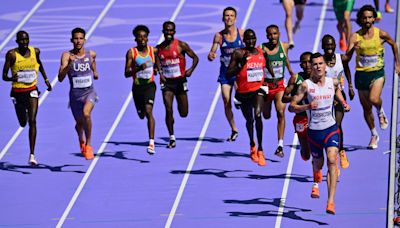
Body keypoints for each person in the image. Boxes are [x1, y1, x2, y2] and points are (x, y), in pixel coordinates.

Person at [289, 52, 351, 215]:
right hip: (314, 132)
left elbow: (337, 90)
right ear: (312, 67)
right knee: (319, 164)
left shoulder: (333, 82)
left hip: (330, 129)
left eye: (320, 63)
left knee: (332, 160)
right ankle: (316, 175)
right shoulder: (306, 86)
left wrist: (343, 102)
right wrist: (307, 107)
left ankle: (330, 202)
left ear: (325, 66)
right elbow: (291, 106)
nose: (317, 67)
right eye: (315, 64)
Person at [347, 5, 400, 149]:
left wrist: (397, 64)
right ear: (360, 19)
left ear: (374, 18)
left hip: (377, 72)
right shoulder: (355, 36)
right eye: (364, 17)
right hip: (361, 74)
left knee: (374, 99)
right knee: (366, 109)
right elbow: (347, 57)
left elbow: (394, 44)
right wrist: (353, 48)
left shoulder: (381, 34)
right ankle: (374, 134)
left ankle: (381, 112)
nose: (367, 20)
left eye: (370, 17)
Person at [2, 30, 52, 165]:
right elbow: (4, 76)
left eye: (26, 39)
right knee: (23, 123)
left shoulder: (35, 51)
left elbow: (40, 65)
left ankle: (32, 154)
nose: (24, 42)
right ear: (17, 42)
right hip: (18, 93)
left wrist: (47, 80)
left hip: (32, 91)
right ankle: (18, 107)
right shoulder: (12, 55)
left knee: (33, 121)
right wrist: (12, 78)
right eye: (21, 40)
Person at [226, 29, 271, 166]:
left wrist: (274, 79)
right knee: (249, 120)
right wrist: (240, 65)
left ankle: (261, 150)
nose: (251, 41)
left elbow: (269, 68)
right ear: (243, 40)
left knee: (258, 115)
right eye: (248, 39)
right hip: (244, 93)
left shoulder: (262, 53)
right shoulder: (239, 53)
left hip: (258, 90)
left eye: (253, 38)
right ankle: (252, 144)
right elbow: (229, 73)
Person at [282, 51, 323, 198]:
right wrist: (298, 96)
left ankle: (316, 183)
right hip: (300, 119)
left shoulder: (319, 78)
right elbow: (284, 98)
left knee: (314, 151)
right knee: (305, 154)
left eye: (309, 62)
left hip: (316, 118)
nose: (307, 65)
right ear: (300, 65)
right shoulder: (296, 78)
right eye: (304, 63)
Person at [157, 21, 199, 148]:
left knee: (183, 113)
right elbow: (157, 62)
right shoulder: (158, 48)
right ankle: (172, 137)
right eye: (166, 31)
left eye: (171, 31)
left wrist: (190, 70)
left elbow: (196, 58)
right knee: (168, 109)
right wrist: (160, 72)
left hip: (180, 82)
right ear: (163, 32)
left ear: (174, 32)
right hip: (167, 84)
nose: (169, 33)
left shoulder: (181, 45)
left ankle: (173, 121)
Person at [58, 28, 98, 160]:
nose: (78, 41)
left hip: (90, 92)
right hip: (75, 95)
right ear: (71, 40)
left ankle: (89, 145)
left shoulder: (91, 54)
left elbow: (93, 61)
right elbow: (60, 78)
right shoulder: (66, 56)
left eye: (81, 38)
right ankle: (81, 139)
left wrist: (95, 71)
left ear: (84, 40)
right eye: (76, 38)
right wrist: (68, 65)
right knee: (79, 124)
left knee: (87, 114)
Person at [208, 6, 244, 141]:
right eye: (226, 15)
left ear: (235, 18)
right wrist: (211, 55)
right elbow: (212, 52)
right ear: (223, 18)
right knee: (225, 100)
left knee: (241, 99)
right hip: (225, 74)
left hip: (239, 74)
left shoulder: (241, 33)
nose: (229, 18)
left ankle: (242, 104)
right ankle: (234, 129)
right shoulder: (219, 36)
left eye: (231, 15)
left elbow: (250, 50)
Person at [124, 25, 162, 154]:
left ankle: (151, 142)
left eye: (144, 36)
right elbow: (126, 73)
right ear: (135, 39)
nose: (142, 39)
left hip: (150, 86)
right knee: (142, 115)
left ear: (148, 37)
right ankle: (141, 112)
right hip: (137, 88)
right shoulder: (131, 53)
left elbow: (158, 64)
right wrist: (140, 68)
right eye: (139, 37)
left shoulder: (153, 51)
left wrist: (158, 70)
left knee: (149, 111)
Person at [260, 24, 295, 158]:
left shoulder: (284, 46)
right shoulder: (262, 48)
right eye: (270, 34)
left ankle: (280, 145)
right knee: (267, 115)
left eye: (275, 33)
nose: (272, 36)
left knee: (280, 112)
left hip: (280, 85)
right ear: (266, 36)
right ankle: (265, 106)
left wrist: (291, 70)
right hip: (266, 87)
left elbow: (285, 58)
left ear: (279, 34)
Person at [322, 34, 353, 169]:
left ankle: (341, 151)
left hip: (340, 97)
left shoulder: (341, 58)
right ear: (323, 47)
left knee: (337, 125)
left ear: (335, 46)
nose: (329, 47)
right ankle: (332, 158)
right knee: (327, 128)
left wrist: (350, 86)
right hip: (325, 99)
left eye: (331, 45)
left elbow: (346, 69)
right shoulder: (320, 62)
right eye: (327, 45)